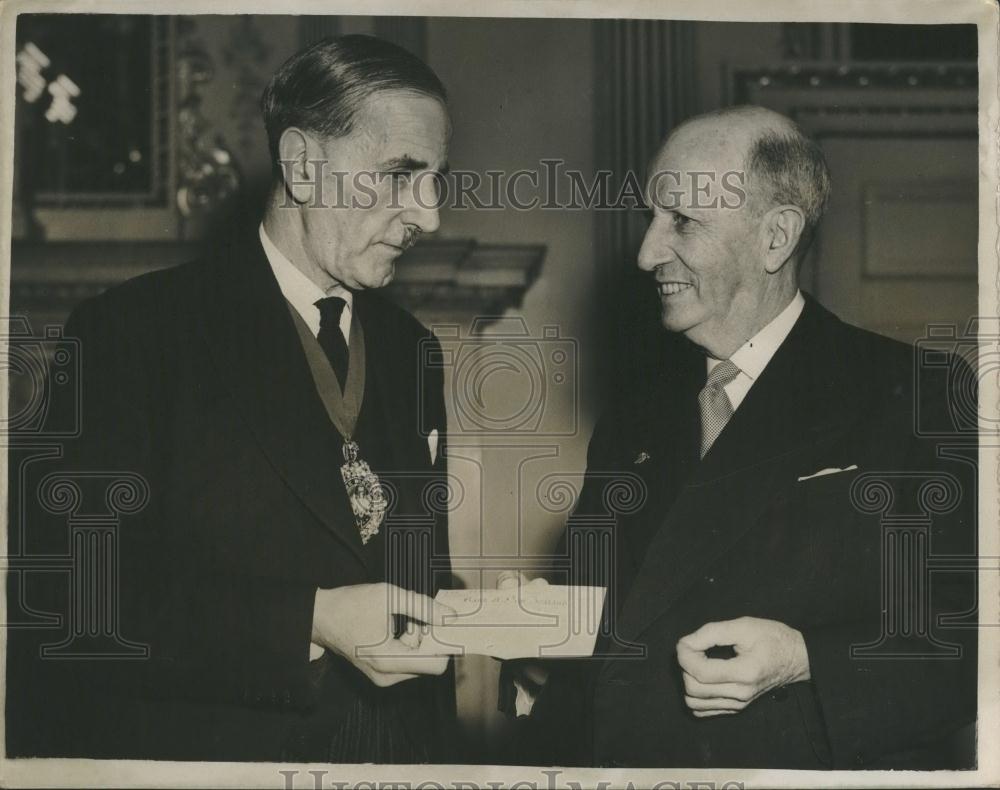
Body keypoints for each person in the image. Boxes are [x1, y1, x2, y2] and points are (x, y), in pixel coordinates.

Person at [7, 35, 458, 762]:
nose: (429, 216)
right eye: (401, 175)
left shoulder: (413, 352)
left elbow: (403, 564)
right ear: (304, 166)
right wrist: (312, 621)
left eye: (437, 180)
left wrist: (485, 625)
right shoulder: (132, 331)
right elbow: (76, 604)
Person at [501, 105, 977, 769]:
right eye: (650, 218)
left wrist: (804, 661)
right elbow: (601, 645)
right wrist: (537, 647)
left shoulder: (917, 393)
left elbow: (969, 642)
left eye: (682, 222)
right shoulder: (631, 422)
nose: (646, 254)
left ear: (775, 237)